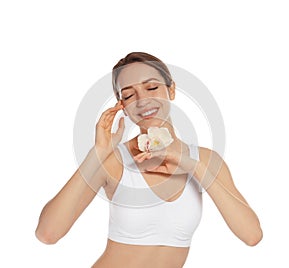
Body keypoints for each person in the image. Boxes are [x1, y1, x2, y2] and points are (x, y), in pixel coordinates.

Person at [35, 52, 263, 268]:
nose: (142, 100)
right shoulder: (113, 160)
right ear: (121, 105)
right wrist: (98, 153)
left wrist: (192, 166)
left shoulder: (204, 160)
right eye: (129, 94)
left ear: (171, 90)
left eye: (152, 87)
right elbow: (47, 234)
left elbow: (252, 235)